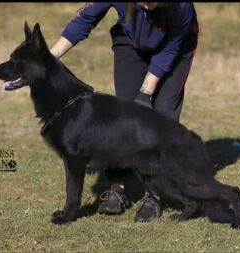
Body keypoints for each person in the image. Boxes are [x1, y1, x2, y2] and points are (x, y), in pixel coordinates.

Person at [50, 2, 199, 222]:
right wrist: (48, 57)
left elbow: (169, 50)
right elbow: (84, 21)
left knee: (161, 120)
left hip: (176, 46)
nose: (148, 6)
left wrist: (146, 92)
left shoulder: (181, 5)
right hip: (131, 39)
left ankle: (154, 195)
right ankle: (118, 185)